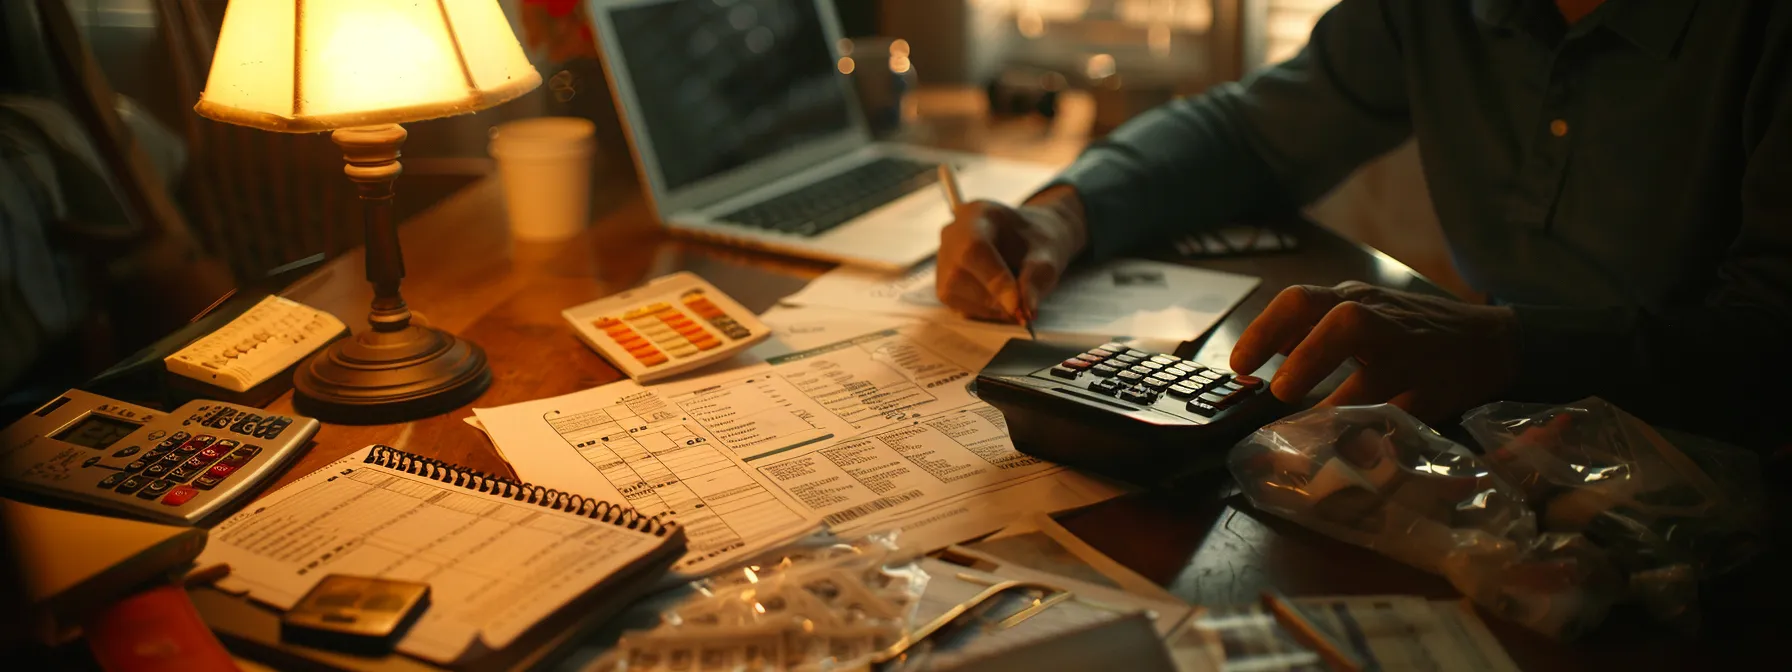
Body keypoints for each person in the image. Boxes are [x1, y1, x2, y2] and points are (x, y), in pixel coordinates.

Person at [936, 0, 1791, 445]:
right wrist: (1063, 215)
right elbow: (1255, 132)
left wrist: (1505, 344)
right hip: (1498, 452)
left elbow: (1770, 342)